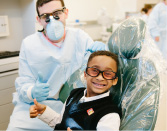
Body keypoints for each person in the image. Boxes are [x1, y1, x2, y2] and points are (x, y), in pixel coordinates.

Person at [7, 0, 106, 130]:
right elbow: (24, 82)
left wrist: (104, 54)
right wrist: (32, 91)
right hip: (35, 106)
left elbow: (99, 71)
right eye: (46, 16)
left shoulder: (80, 38)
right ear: (39, 19)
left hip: (72, 106)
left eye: (57, 13)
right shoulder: (29, 44)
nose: (52, 20)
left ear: (66, 12)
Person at [29, 51, 122, 130]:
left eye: (108, 73)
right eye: (94, 70)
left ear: (114, 80)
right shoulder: (75, 94)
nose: (100, 77)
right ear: (85, 74)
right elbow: (62, 122)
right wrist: (43, 112)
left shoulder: (109, 114)